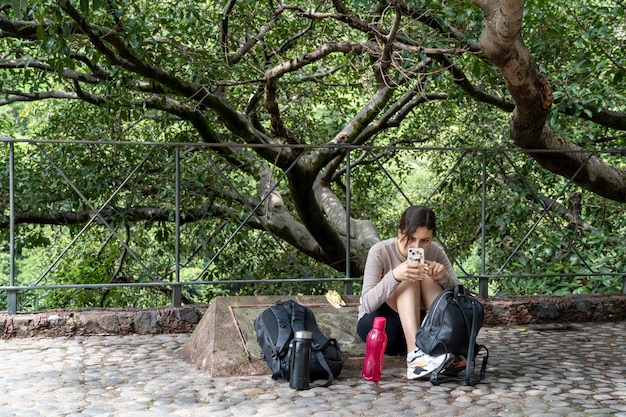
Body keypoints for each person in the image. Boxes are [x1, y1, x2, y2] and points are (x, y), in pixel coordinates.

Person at [357, 205, 465, 380]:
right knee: (409, 276)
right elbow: (367, 304)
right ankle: (414, 355)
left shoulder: (436, 251)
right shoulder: (380, 251)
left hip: (423, 325)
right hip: (382, 328)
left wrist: (443, 277)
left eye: (425, 241)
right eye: (411, 239)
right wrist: (394, 276)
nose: (417, 246)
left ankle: (437, 348)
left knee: (429, 278)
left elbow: (459, 295)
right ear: (400, 233)